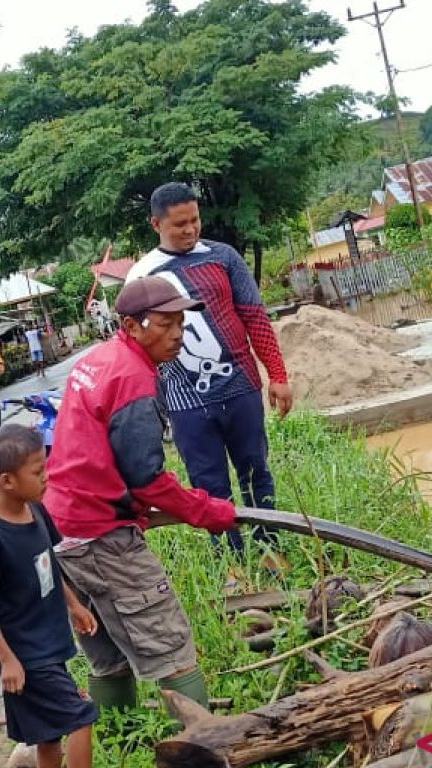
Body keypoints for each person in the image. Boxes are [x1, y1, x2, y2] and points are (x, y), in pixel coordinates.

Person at [44, 277, 237, 711]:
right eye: (165, 324)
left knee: (105, 646)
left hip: (62, 526)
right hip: (100, 535)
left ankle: (121, 740)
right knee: (168, 641)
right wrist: (208, 511)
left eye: (181, 324)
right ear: (132, 325)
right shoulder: (132, 379)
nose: (177, 335)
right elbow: (147, 479)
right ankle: (202, 754)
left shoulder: (97, 361)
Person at [127, 181, 292, 565]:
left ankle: (270, 552)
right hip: (186, 401)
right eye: (179, 224)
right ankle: (233, 565)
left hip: (241, 389)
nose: (189, 230)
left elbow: (254, 316)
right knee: (209, 487)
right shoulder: (143, 277)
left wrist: (277, 374)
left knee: (257, 472)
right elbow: (135, 345)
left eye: (195, 221)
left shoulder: (224, 258)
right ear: (156, 224)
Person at [0, 425, 99, 768]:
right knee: (81, 716)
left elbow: (49, 565)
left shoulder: (37, 511)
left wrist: (74, 605)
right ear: (7, 481)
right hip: (25, 654)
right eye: (38, 472)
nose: (47, 477)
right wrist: (7, 659)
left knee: (47, 733)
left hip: (50, 643)